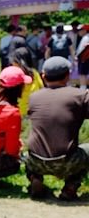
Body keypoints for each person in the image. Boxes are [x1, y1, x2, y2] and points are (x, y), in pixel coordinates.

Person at [26, 57, 89, 201]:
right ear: (67, 76)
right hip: (67, 161)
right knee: (86, 151)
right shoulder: (80, 96)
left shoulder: (34, 98)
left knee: (27, 152)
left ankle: (35, 178)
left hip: (36, 161)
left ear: (43, 76)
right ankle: (70, 187)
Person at [10, 47, 44, 117]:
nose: (12, 63)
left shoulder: (15, 75)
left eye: (14, 61)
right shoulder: (35, 73)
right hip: (35, 111)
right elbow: (42, 88)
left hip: (20, 112)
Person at [75, 25, 89, 90]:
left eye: (80, 30)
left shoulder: (85, 38)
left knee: (82, 74)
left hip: (84, 59)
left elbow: (80, 50)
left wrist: (75, 57)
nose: (79, 32)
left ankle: (83, 88)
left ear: (85, 31)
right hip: (86, 59)